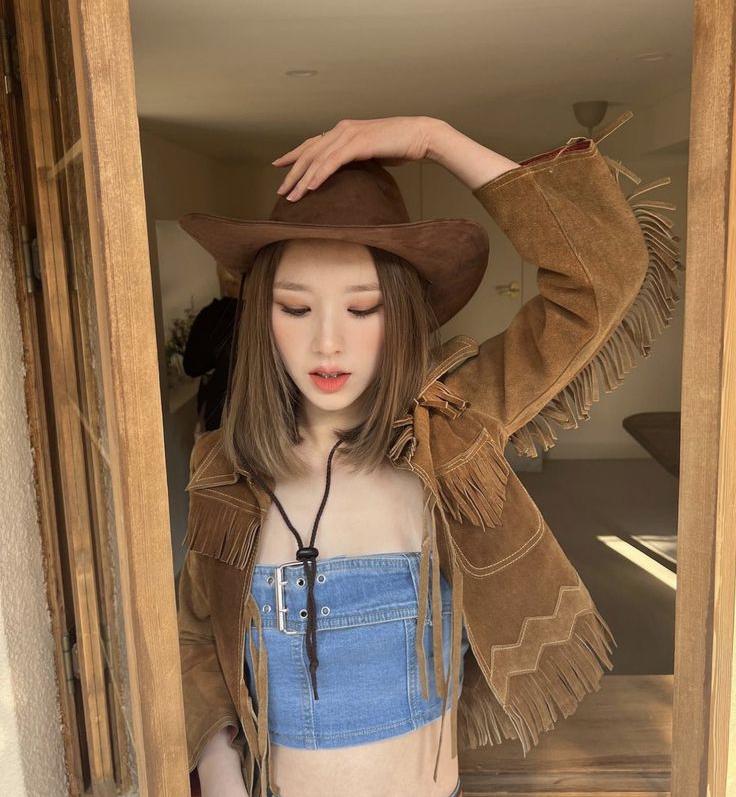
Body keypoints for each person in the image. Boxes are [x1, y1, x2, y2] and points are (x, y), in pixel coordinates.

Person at [176, 114, 683, 797]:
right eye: (296, 310)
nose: (328, 344)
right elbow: (198, 635)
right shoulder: (224, 466)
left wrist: (432, 138)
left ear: (406, 315)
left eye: (364, 310)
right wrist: (215, 761)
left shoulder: (453, 432)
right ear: (262, 317)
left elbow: (604, 275)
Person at [182, 263, 240, 432]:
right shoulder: (271, 313)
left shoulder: (211, 317)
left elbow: (191, 366)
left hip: (219, 417)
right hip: (265, 419)